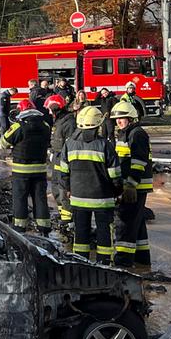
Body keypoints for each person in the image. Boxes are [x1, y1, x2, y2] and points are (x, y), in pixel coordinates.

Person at [55, 106, 122, 263]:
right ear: (98, 124)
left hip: (78, 198)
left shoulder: (69, 144)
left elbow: (63, 172)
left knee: (81, 233)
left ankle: (80, 262)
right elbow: (115, 175)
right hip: (103, 199)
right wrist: (118, 192)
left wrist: (68, 190)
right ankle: (105, 263)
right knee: (105, 232)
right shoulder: (105, 145)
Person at [111, 101, 154, 267]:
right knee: (137, 224)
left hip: (135, 186)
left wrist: (130, 184)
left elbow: (138, 162)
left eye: (122, 119)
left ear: (131, 118)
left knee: (125, 223)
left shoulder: (137, 134)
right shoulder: (126, 133)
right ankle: (142, 260)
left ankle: (123, 262)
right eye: (116, 119)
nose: (118, 122)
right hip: (134, 186)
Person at [2, 98, 52, 233]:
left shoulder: (19, 126)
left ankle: (20, 226)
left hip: (21, 170)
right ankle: (44, 226)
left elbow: (4, 142)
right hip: (40, 169)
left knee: (20, 197)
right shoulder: (45, 125)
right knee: (40, 198)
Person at [46, 93, 76, 228]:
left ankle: (68, 218)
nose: (48, 112)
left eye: (49, 109)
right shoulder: (59, 121)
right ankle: (61, 214)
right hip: (56, 157)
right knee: (56, 186)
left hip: (64, 159)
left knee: (64, 188)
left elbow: (69, 144)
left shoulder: (68, 122)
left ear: (55, 108)